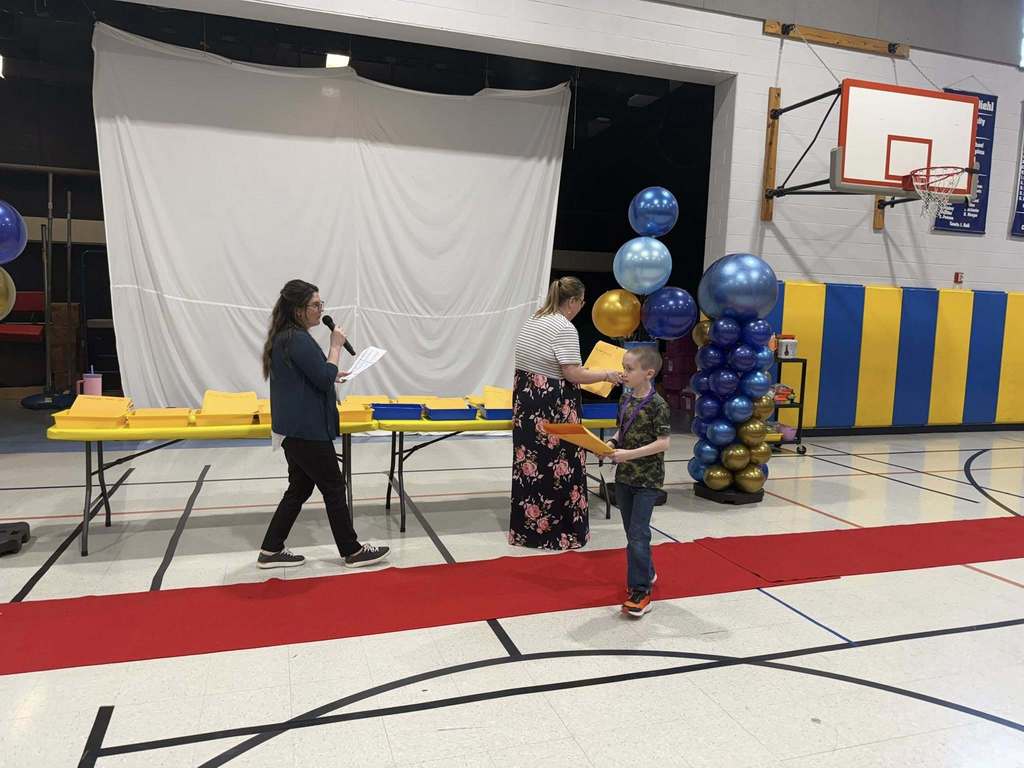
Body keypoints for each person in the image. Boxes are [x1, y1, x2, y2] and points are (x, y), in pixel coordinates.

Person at [257, 279, 389, 569]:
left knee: (300, 488)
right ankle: (352, 550)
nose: (321, 310)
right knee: (332, 486)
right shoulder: (296, 339)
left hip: (294, 428)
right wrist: (335, 347)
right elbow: (320, 376)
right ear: (298, 310)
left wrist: (332, 372)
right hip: (306, 429)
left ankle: (270, 549)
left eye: (321, 304)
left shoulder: (288, 337)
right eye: (315, 305)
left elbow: (315, 374)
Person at [509, 276, 623, 550]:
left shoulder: (534, 319)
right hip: (552, 405)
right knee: (560, 467)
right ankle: (560, 533)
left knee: (529, 467)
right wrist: (608, 374)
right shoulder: (564, 328)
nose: (581, 308)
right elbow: (573, 373)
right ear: (572, 301)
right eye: (581, 303)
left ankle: (527, 532)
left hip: (527, 403)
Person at [606, 345, 671, 617]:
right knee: (632, 534)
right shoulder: (626, 399)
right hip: (624, 477)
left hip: (647, 480)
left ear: (649, 373)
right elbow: (623, 429)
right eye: (624, 367)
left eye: (629, 369)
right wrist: (611, 442)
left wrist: (629, 454)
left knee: (637, 535)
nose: (624, 373)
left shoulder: (658, 405)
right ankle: (648, 570)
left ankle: (641, 590)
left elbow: (663, 442)